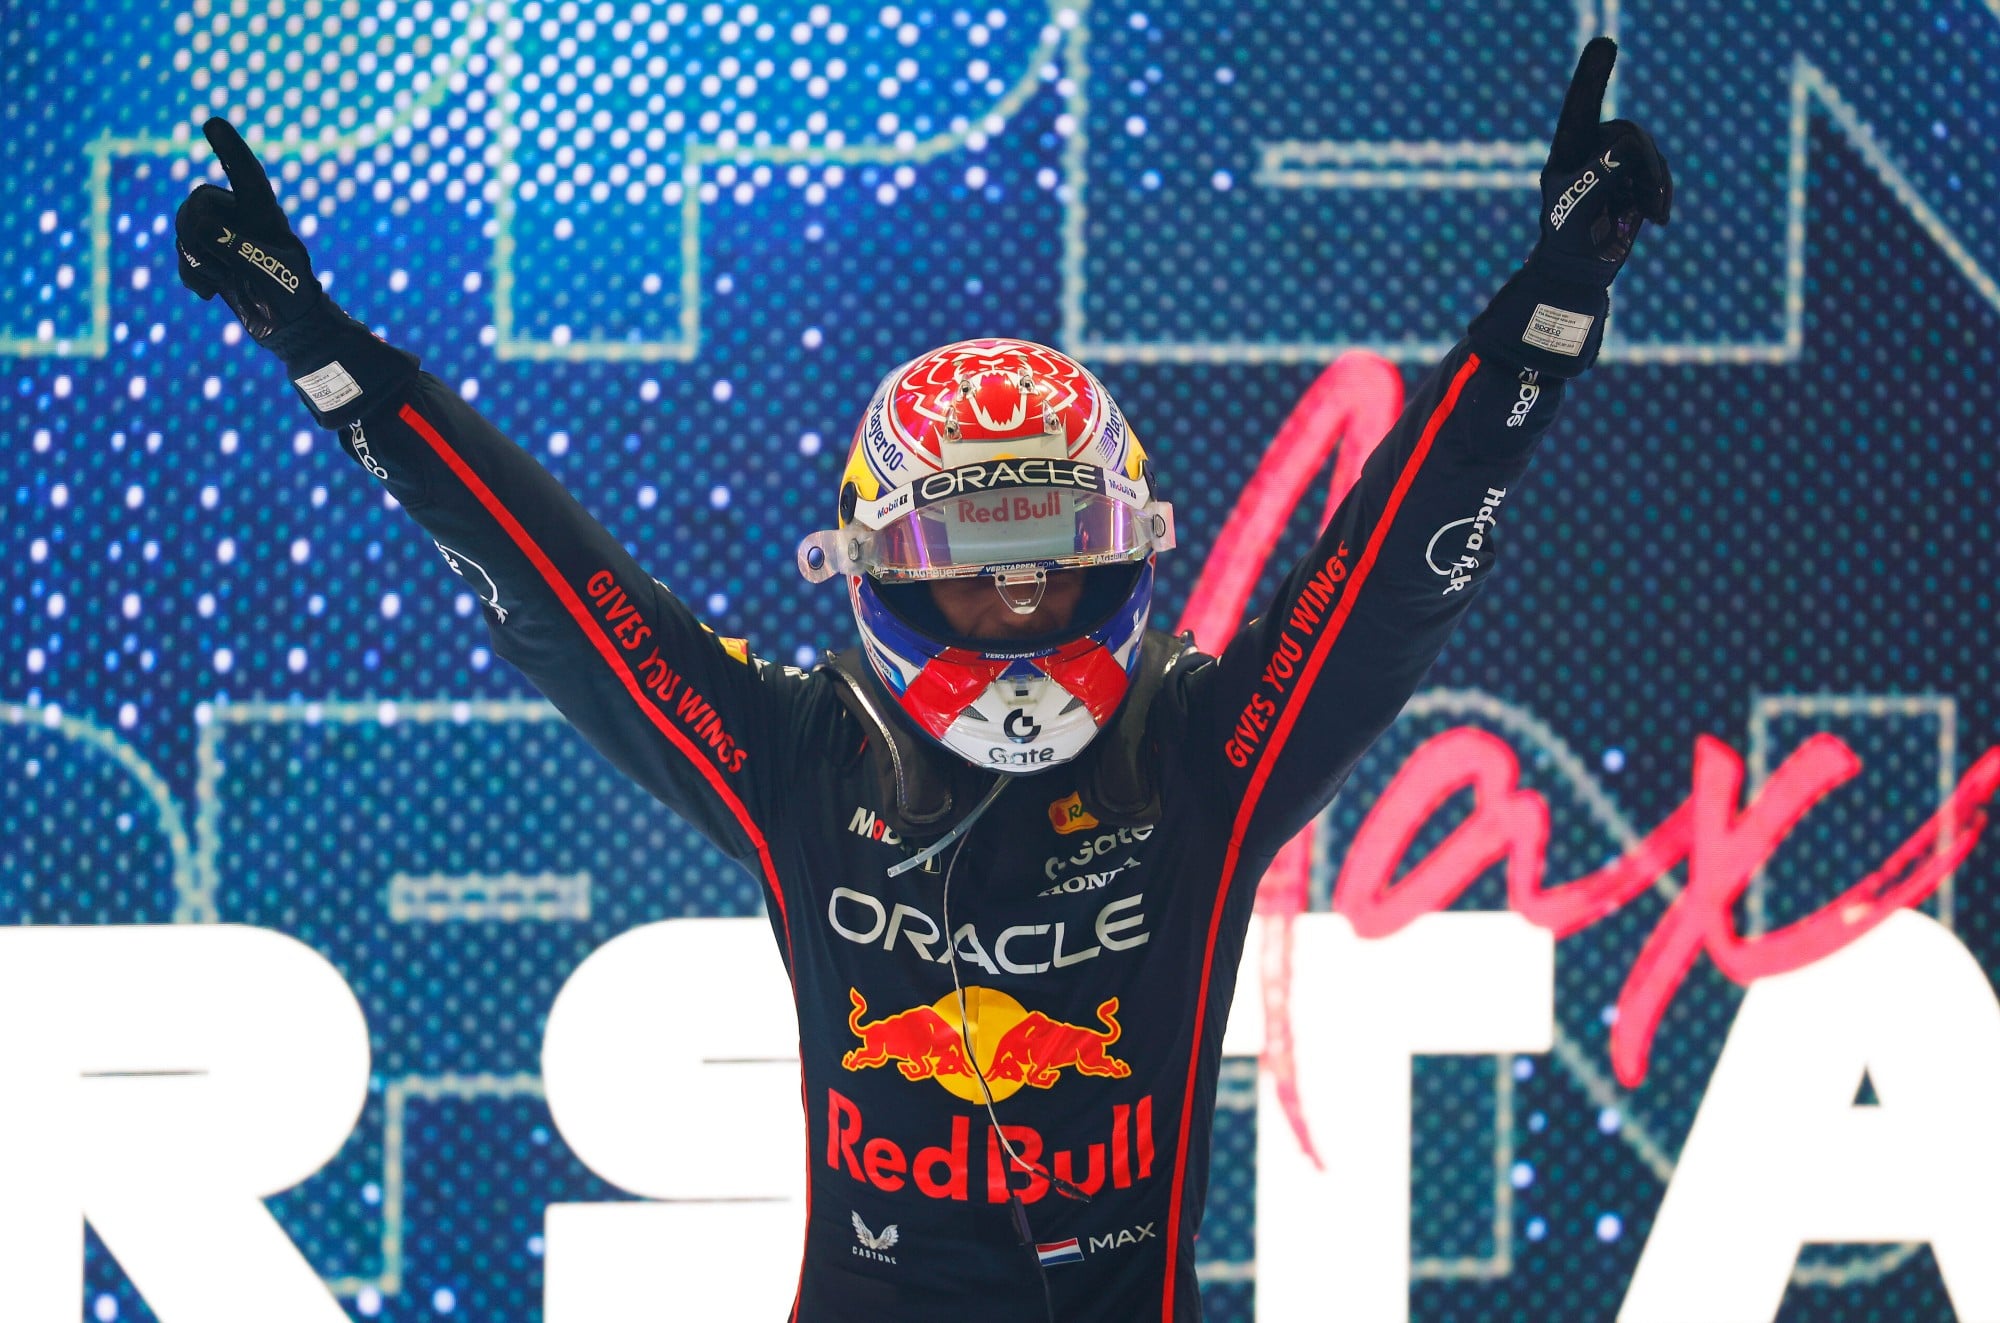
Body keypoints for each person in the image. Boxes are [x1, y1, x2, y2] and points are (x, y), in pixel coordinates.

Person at [175, 36, 1670, 1323]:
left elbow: (1394, 572)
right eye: (973, 565)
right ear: (881, 569)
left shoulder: (1204, 749)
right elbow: (566, 597)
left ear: (1129, 552)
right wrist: (325, 353)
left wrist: (1546, 313)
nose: (1020, 607)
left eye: (1056, 559)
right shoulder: (795, 754)